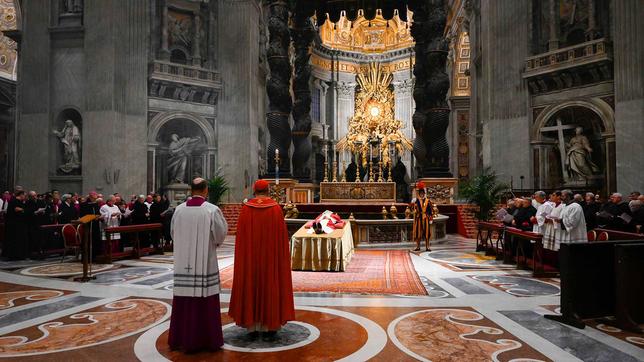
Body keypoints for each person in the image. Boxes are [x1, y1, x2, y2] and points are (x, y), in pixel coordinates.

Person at [229, 179, 295, 341]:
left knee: (251, 282)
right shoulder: (275, 209)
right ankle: (270, 326)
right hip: (271, 258)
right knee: (270, 283)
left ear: (254, 190)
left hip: (250, 259)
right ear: (268, 190)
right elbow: (281, 240)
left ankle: (252, 326)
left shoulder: (246, 209)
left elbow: (241, 240)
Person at [168, 177, 228, 353]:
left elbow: (172, 233)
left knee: (183, 300)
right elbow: (219, 235)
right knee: (205, 301)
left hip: (181, 262)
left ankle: (181, 339)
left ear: (190, 190)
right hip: (205, 263)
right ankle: (207, 340)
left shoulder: (178, 210)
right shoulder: (211, 210)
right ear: (206, 190)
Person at [5, 191, 28, 260]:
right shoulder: (14, 201)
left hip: (20, 224)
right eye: (24, 195)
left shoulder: (20, 202)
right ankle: (14, 256)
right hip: (14, 225)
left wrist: (22, 209)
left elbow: (22, 210)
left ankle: (19, 255)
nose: (25, 197)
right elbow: (16, 209)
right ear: (21, 195)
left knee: (20, 241)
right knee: (15, 241)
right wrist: (22, 209)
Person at [411, 181, 433, 252]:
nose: (422, 194)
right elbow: (413, 209)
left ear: (424, 194)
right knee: (418, 233)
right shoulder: (416, 201)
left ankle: (427, 246)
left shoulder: (428, 201)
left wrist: (430, 218)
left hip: (426, 218)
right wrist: (414, 206)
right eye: (420, 193)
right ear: (419, 194)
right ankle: (418, 246)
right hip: (419, 218)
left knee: (427, 233)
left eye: (423, 193)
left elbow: (430, 210)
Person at [79, 191, 102, 259]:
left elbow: (98, 213)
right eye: (95, 197)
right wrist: (92, 217)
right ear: (91, 196)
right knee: (88, 241)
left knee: (95, 240)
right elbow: (82, 215)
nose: (96, 198)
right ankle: (87, 258)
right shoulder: (84, 204)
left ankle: (95, 256)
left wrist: (99, 216)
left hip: (95, 225)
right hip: (88, 226)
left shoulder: (95, 204)